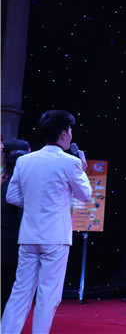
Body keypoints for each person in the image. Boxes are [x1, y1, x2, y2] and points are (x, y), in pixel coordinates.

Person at [2, 110, 92, 334]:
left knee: (20, 292)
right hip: (56, 238)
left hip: (28, 236)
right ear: (63, 134)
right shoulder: (71, 162)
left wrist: (35, 203)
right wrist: (82, 170)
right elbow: (85, 195)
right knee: (48, 295)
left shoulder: (24, 161)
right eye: (70, 131)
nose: (71, 135)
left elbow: (11, 196)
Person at [2, 146, 30, 313]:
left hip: (6, 244)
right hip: (12, 246)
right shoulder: (19, 191)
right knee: (10, 291)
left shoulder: (4, 186)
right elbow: (21, 220)